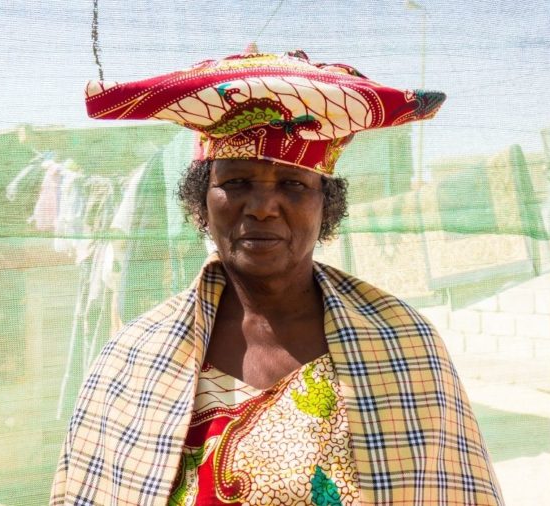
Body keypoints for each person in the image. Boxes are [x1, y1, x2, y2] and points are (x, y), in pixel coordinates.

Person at [52, 50, 504, 505]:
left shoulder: (401, 342)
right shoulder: (136, 357)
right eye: (237, 182)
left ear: (325, 205)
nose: (263, 207)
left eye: (292, 184)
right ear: (201, 201)